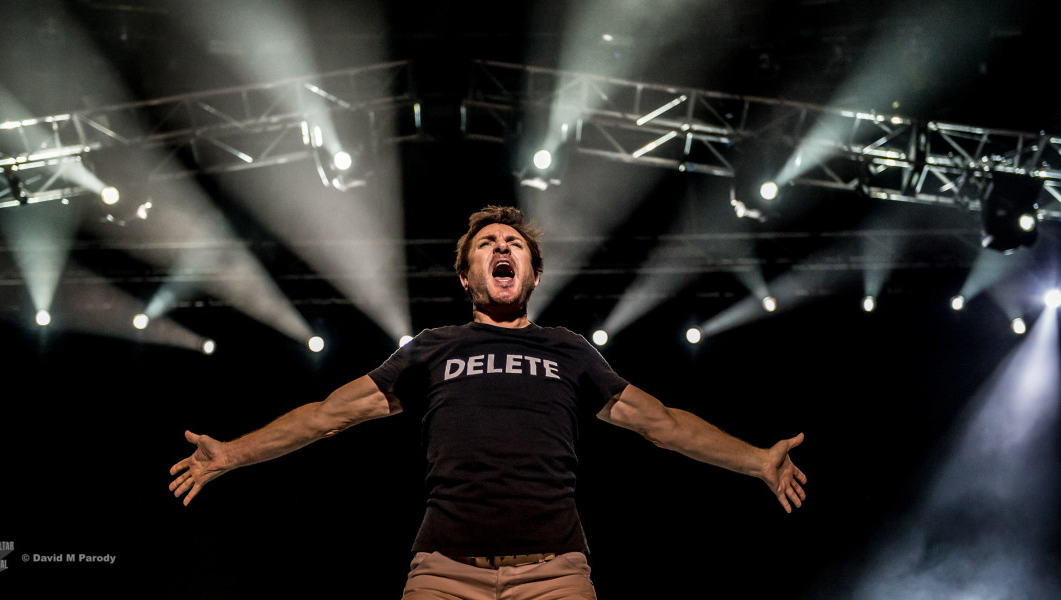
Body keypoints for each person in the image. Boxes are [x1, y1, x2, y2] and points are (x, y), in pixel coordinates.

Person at [169, 205, 807, 599]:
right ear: (466, 275)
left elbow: (661, 423)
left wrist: (756, 460)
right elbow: (325, 415)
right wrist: (231, 454)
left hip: (556, 575)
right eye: (487, 244)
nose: (502, 248)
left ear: (532, 274)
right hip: (443, 574)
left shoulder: (568, 350)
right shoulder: (432, 347)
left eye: (515, 244)